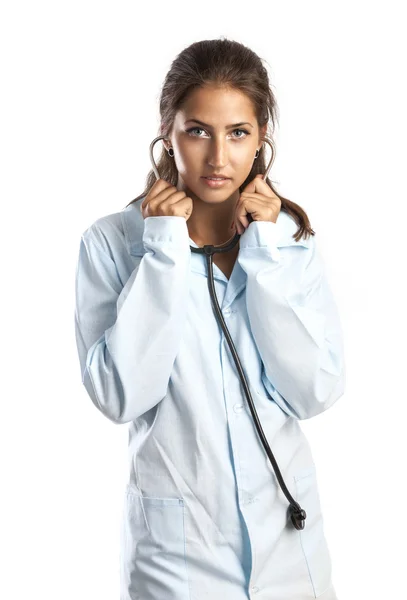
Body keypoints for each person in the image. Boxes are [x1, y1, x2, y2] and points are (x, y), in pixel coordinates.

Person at [74, 37, 345, 600]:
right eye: (198, 130)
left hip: (288, 549)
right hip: (179, 561)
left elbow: (314, 391)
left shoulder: (291, 244)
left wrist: (266, 257)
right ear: (167, 133)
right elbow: (120, 395)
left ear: (261, 139)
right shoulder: (111, 244)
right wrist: (165, 251)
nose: (218, 158)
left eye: (238, 133)